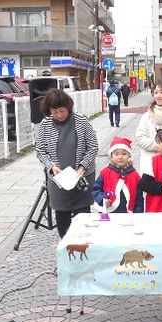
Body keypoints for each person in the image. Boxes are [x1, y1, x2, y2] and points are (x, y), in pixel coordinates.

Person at [35, 89, 98, 238]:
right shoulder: (45, 124)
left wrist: (82, 167)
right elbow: (40, 150)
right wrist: (52, 167)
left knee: (83, 217)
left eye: (62, 111)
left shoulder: (81, 120)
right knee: (61, 215)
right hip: (59, 180)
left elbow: (93, 146)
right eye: (54, 111)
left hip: (82, 178)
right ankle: (66, 245)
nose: (59, 115)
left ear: (68, 107)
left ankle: (83, 245)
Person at [92, 137, 143, 213]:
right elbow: (96, 189)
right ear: (111, 157)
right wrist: (102, 200)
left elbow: (139, 198)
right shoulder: (105, 172)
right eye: (116, 154)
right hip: (108, 211)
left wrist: (138, 214)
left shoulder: (134, 175)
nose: (120, 157)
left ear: (129, 156)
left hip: (127, 213)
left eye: (124, 154)